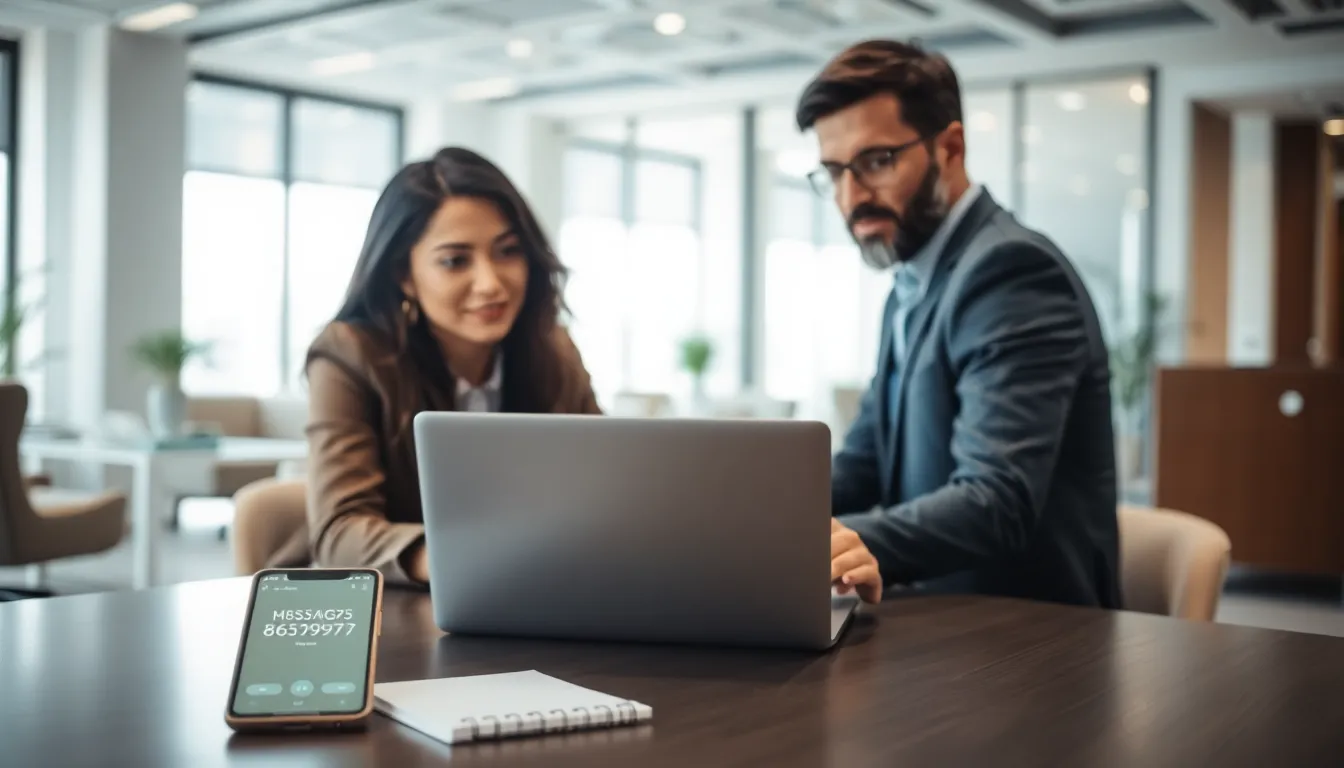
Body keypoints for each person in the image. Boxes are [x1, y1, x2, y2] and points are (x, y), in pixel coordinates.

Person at [805, 41, 1122, 608]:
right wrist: (756, 518)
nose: (851, 197)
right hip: (937, 622)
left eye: (876, 162)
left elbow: (996, 498)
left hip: (1032, 641)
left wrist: (839, 545)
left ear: (949, 147)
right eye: (834, 172)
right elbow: (866, 462)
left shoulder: (1012, 273)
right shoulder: (910, 283)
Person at [294, 147, 601, 585]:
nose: (491, 283)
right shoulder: (349, 354)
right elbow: (339, 533)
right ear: (404, 274)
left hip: (534, 595)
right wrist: (465, 560)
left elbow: (604, 490)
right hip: (396, 612)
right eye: (455, 261)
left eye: (508, 251)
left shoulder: (552, 348)